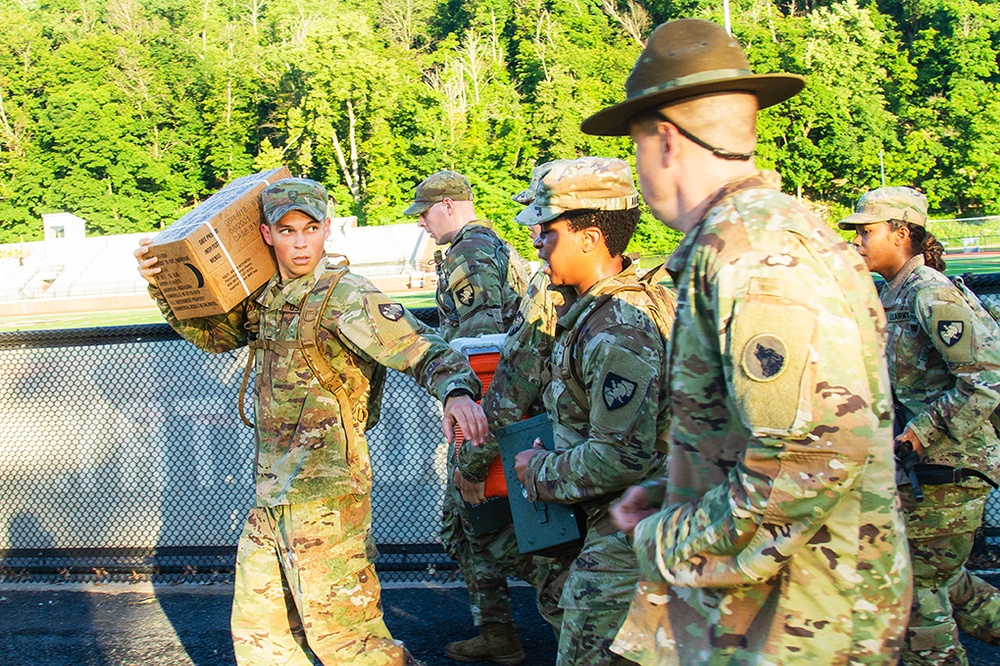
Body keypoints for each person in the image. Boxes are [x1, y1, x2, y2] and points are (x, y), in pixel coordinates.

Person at [584, 18, 911, 664]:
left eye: (635, 144)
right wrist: (673, 488)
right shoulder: (767, 235)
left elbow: (813, 451)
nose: (637, 164)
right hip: (780, 613)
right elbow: (766, 433)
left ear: (668, 142)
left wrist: (666, 539)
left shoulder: (753, 252)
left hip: (794, 627)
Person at [134, 177, 488, 666]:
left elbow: (420, 346)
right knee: (264, 635)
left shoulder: (344, 295)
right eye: (287, 230)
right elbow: (213, 336)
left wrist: (457, 391)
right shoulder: (266, 297)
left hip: (325, 494)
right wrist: (163, 281)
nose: (300, 242)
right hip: (272, 492)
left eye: (310, 229)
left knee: (348, 641)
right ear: (266, 234)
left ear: (326, 230)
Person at [509, 156, 674, 665]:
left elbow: (621, 458)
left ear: (590, 237)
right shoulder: (593, 312)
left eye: (547, 230)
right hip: (619, 517)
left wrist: (539, 472)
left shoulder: (617, 329)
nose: (536, 240)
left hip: (630, 526)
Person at [840, 186, 1000, 665]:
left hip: (946, 468)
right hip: (927, 470)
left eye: (867, 231)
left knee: (912, 587)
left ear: (901, 233)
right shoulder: (898, 292)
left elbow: (986, 380)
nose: (858, 242)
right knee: (945, 580)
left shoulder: (929, 292)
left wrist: (919, 434)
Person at [403, 169, 531, 663]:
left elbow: (483, 353)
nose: (420, 224)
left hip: (484, 416)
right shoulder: (492, 246)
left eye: (424, 212)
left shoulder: (468, 253)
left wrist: (471, 440)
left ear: (450, 206)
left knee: (487, 524)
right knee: (470, 525)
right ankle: (499, 633)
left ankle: (572, 605)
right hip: (490, 411)